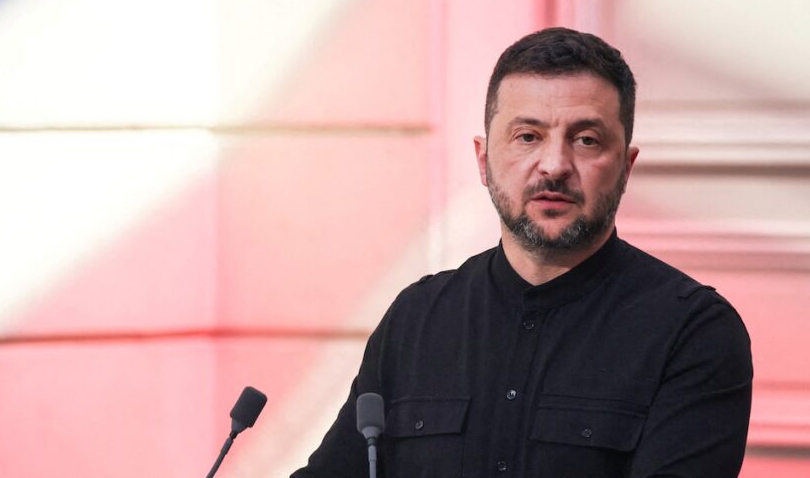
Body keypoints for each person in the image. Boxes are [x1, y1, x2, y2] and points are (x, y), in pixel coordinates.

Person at [292, 27, 753, 477]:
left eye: (586, 140)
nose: (554, 166)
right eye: (528, 136)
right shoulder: (416, 319)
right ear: (483, 160)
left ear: (626, 167)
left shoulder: (692, 332)